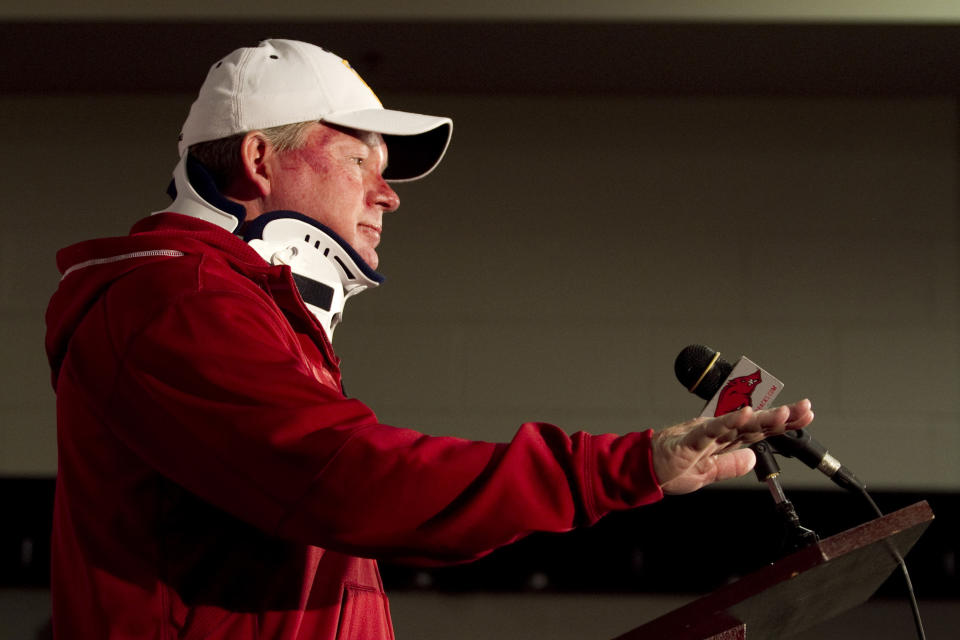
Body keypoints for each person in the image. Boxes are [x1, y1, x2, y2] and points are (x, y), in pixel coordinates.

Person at [44, 39, 814, 639]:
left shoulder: (230, 304)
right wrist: (621, 465)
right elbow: (352, 483)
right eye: (360, 160)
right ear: (258, 158)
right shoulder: (177, 302)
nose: (388, 195)